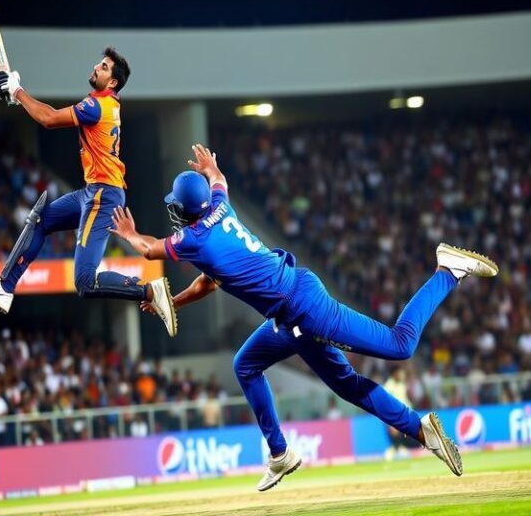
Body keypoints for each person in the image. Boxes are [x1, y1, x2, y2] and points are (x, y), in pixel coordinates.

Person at [109, 144, 499, 492]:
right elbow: (210, 273)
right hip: (289, 312)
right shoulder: (220, 207)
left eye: (176, 206)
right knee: (249, 365)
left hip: (304, 310)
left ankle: (447, 271)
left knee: (401, 345)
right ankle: (290, 452)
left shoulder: (194, 239)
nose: (174, 212)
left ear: (185, 211)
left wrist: (128, 233)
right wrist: (210, 169)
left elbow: (147, 250)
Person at [0, 48, 176, 335]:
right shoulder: (107, 104)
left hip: (103, 195)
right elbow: (48, 115)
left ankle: (149, 292)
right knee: (40, 219)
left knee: (85, 282)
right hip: (94, 191)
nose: (96, 67)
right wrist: (19, 95)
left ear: (113, 82)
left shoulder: (96, 106)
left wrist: (17, 91)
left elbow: (49, 119)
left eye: (103, 67)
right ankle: (4, 287)